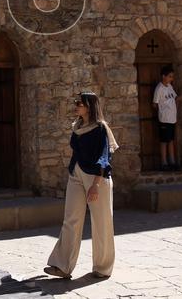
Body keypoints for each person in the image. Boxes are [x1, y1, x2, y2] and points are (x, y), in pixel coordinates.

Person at [44, 91, 119, 281]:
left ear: (90, 106)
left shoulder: (101, 128)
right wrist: (73, 172)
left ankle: (102, 268)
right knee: (71, 219)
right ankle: (62, 266)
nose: (76, 105)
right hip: (76, 175)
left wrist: (95, 185)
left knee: (101, 223)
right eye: (76, 102)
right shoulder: (77, 127)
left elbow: (104, 158)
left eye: (80, 103)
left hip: (97, 179)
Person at [152, 65, 182, 170]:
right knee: (164, 141)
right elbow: (154, 104)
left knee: (171, 140)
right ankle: (164, 163)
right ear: (163, 76)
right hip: (164, 119)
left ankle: (172, 162)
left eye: (172, 77)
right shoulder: (159, 88)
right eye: (169, 76)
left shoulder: (170, 87)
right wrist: (163, 111)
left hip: (172, 119)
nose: (171, 79)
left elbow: (176, 98)